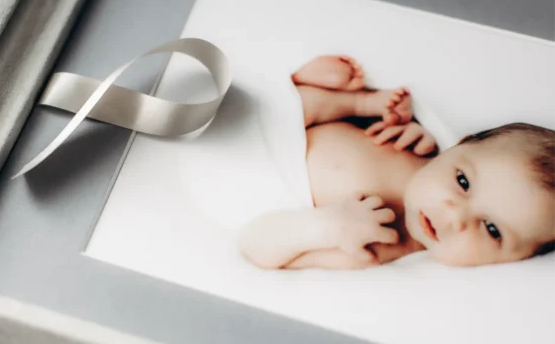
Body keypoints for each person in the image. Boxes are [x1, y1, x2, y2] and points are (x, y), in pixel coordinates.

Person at [238, 55, 555, 270]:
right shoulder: (424, 149)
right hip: (280, 119)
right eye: (462, 182)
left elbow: (256, 247)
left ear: (519, 259)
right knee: (300, 105)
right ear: (459, 145)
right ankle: (349, 98)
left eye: (491, 229)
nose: (455, 216)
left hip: (243, 170)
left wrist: (324, 227)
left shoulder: (375, 246)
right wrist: (401, 122)